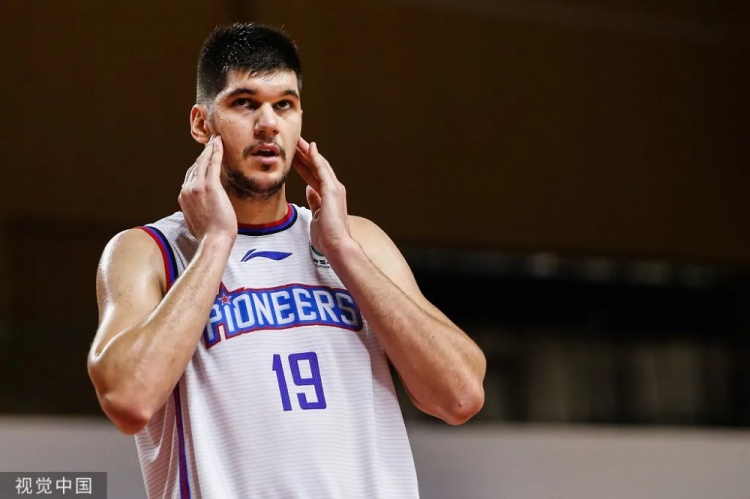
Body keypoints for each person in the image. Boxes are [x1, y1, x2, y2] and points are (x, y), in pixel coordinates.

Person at [87, 22, 486, 498]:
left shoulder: (358, 241)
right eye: (244, 103)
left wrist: (342, 251)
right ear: (201, 123)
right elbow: (127, 400)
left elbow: (461, 396)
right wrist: (216, 242)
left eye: (284, 104)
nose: (268, 124)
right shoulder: (148, 251)